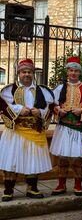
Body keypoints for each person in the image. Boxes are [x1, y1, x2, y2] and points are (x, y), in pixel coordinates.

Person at [0, 59, 54, 201]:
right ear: (19, 73)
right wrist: (19, 109)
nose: (27, 75)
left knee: (33, 160)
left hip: (35, 130)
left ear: (33, 74)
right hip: (15, 131)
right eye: (24, 72)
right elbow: (3, 106)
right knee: (11, 160)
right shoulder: (9, 90)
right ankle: (8, 190)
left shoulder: (43, 91)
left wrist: (40, 112)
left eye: (29, 72)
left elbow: (50, 107)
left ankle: (32, 188)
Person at [50, 56, 82, 196]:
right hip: (64, 126)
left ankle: (77, 185)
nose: (73, 73)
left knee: (78, 157)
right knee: (62, 157)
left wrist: (81, 110)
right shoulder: (60, 87)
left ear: (79, 72)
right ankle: (61, 184)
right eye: (71, 70)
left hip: (78, 126)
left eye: (76, 71)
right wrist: (59, 110)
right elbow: (52, 103)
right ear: (67, 71)